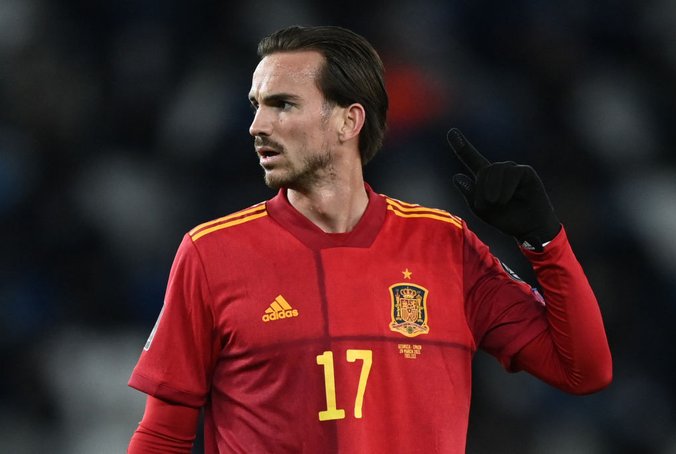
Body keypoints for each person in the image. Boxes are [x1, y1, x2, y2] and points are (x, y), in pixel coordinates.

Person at [127, 25, 612, 453]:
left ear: (348, 120)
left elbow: (584, 371)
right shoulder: (212, 253)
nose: (257, 126)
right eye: (257, 106)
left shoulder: (444, 245)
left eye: (283, 105)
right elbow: (163, 435)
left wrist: (543, 241)